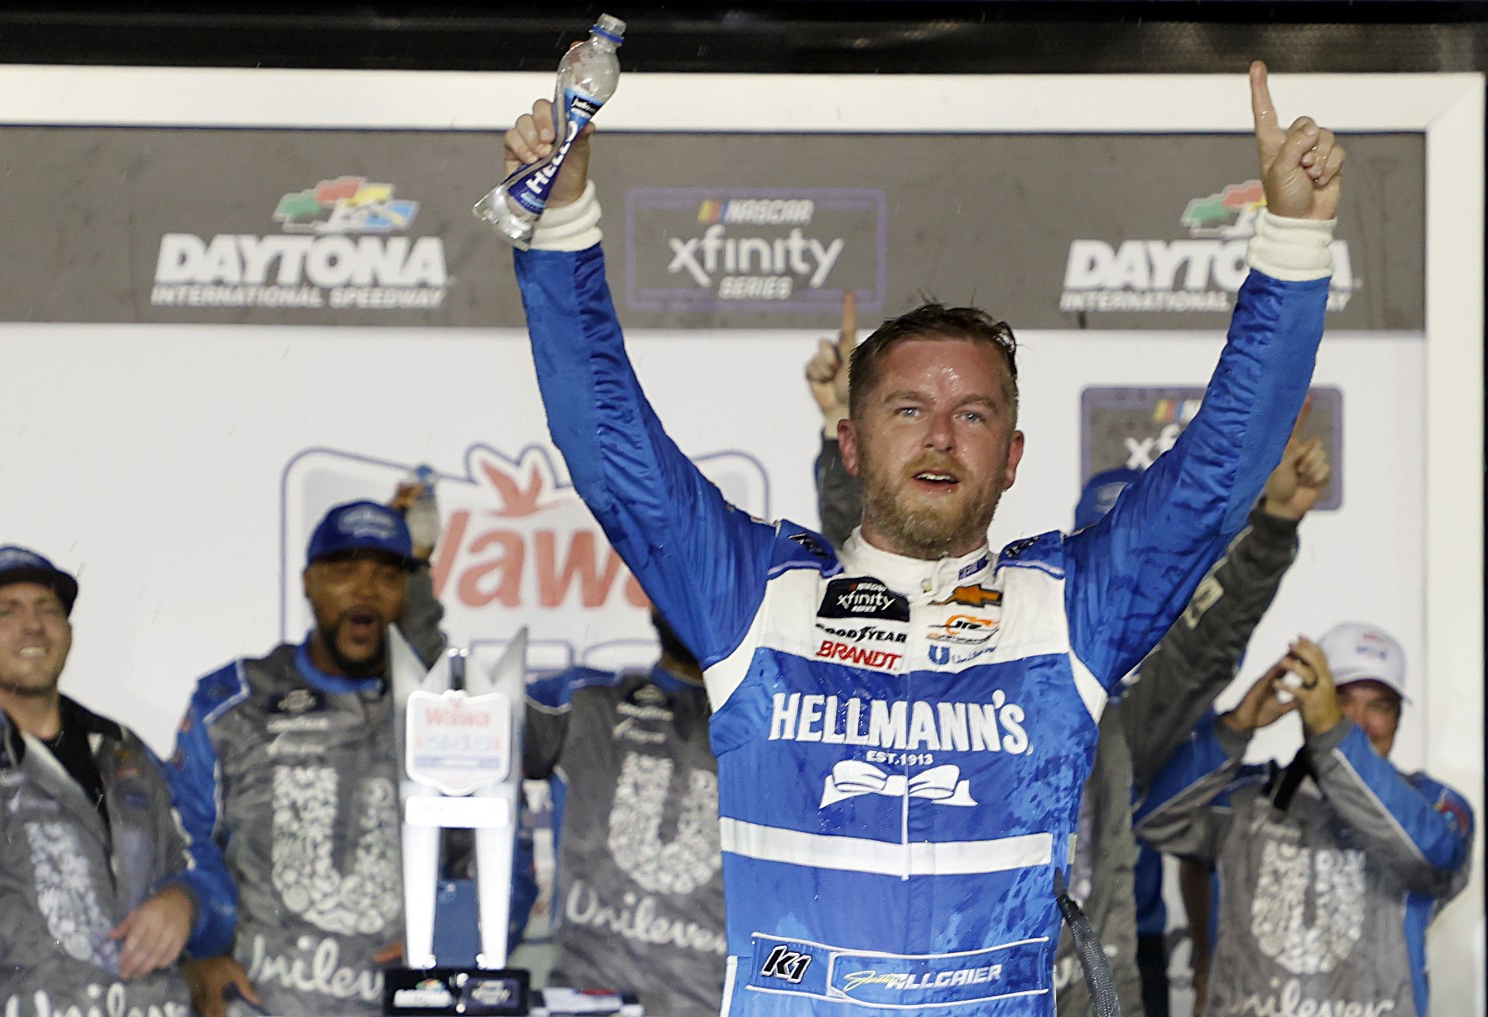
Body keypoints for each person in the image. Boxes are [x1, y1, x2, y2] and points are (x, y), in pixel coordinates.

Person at [507, 61, 1340, 1016]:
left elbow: (1216, 475)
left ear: (1014, 454)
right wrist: (564, 219)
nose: (942, 435)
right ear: (851, 442)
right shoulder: (753, 596)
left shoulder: (1067, 609)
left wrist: (1292, 240)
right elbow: (612, 448)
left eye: (974, 414)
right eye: (910, 409)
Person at [810, 313, 1332, 1016]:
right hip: (949, 977)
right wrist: (851, 435)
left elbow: (1207, 640)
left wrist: (1271, 527)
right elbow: (883, 584)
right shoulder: (991, 644)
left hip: (1095, 985)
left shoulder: (1113, 705)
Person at [167, 495, 446, 1016]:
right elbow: (177, 838)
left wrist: (449, 936)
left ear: (405, 593)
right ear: (308, 582)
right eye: (344, 569)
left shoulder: (442, 710)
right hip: (260, 1003)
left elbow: (493, 852)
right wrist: (200, 955)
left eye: (386, 575)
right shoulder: (234, 701)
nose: (365, 588)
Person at [1136, 624, 1473, 1017]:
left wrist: (1335, 737)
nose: (1359, 722)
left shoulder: (1433, 805)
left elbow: (1436, 859)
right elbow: (1150, 820)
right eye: (1341, 700)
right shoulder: (1247, 795)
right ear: (1305, 702)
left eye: (1380, 706)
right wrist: (1234, 729)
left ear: (1398, 718)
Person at [0, 544, 227, 1017]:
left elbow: (206, 868)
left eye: (48, 611)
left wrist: (187, 901)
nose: (32, 626)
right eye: (5, 613)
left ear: (69, 634)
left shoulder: (122, 749)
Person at [517, 611, 724, 1016]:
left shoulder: (780, 725)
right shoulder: (581, 698)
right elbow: (460, 744)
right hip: (585, 1003)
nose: (691, 597)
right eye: (676, 575)